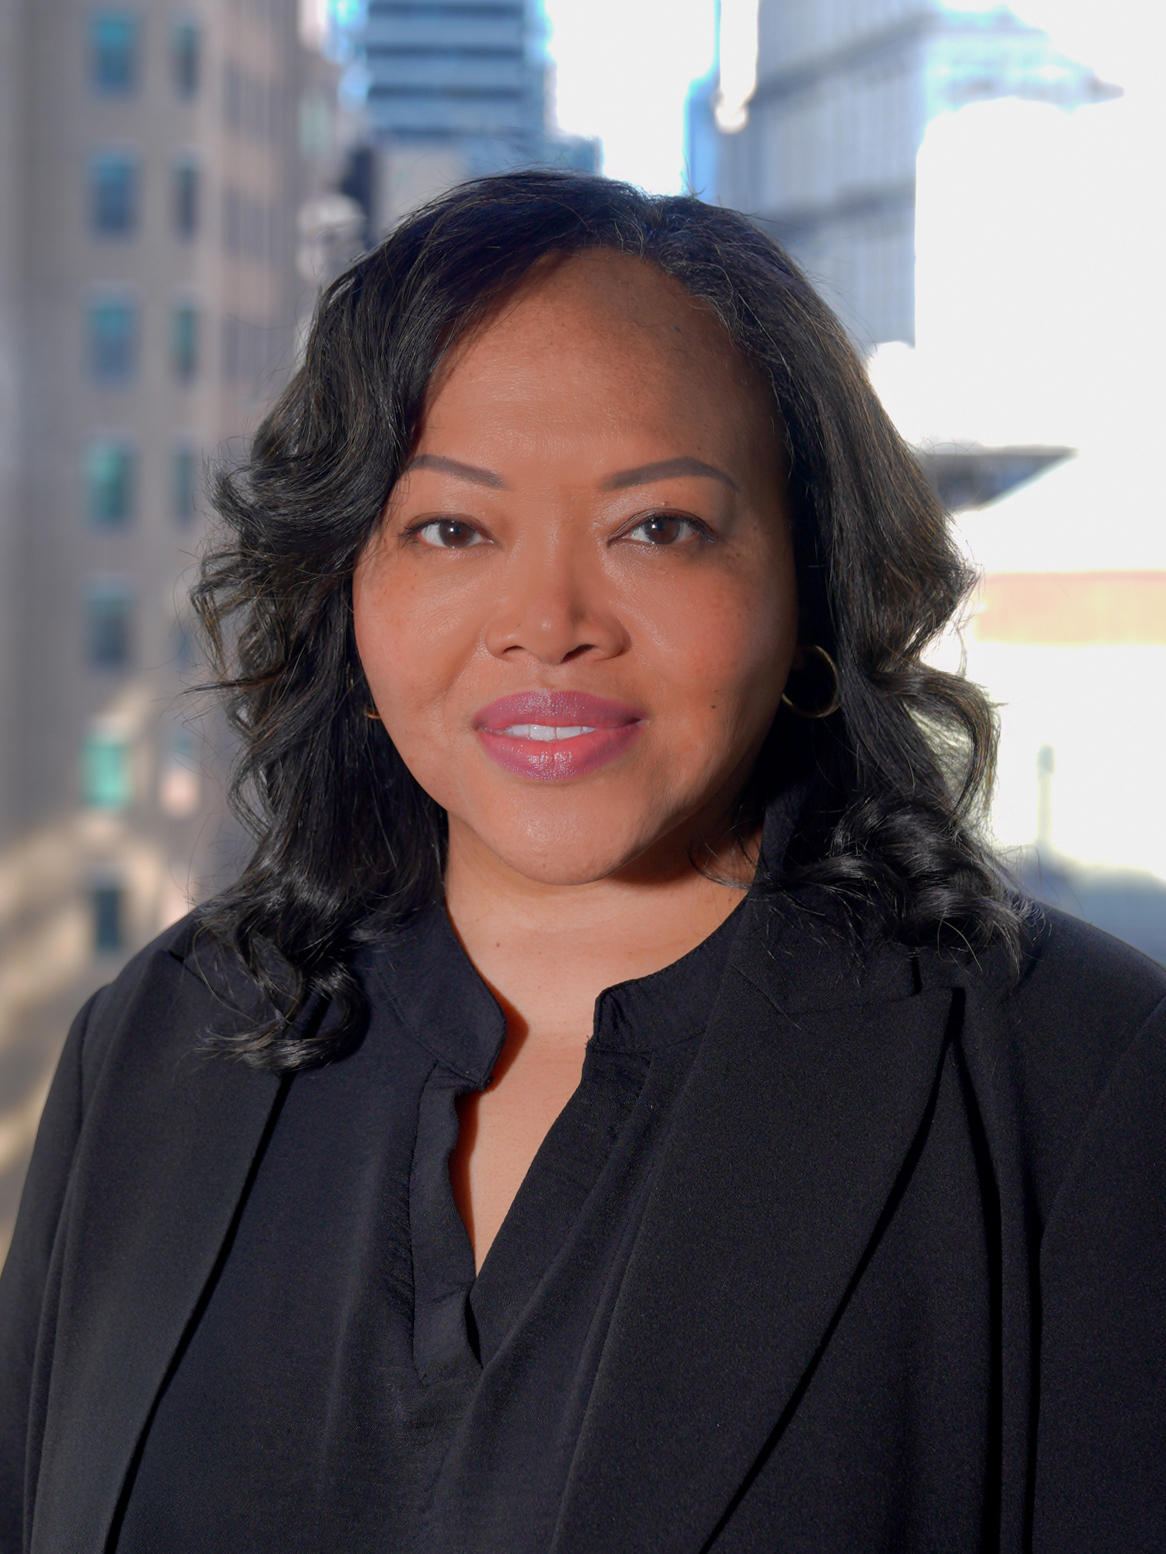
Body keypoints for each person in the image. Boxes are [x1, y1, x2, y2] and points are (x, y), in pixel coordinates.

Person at [1, 171, 1163, 1554]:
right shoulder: (165, 1032)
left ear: (807, 578)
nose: (544, 622)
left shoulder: (1079, 1080)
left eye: (655, 527)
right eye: (451, 528)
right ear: (346, 589)